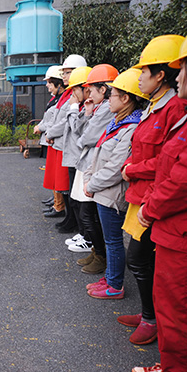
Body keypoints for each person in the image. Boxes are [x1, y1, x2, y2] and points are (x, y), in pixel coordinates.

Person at [133, 23, 187, 372]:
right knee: (174, 306)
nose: (179, 77)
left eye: (184, 67)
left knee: (181, 311)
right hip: (177, 231)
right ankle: (172, 369)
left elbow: (184, 178)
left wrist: (150, 206)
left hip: (184, 231)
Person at [117, 35, 187, 346]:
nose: (140, 77)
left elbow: (168, 160)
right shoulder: (153, 107)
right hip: (141, 194)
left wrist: (133, 169)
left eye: (144, 72)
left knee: (141, 258)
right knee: (143, 260)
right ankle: (149, 312)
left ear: (161, 75)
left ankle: (151, 318)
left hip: (154, 196)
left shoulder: (176, 108)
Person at [84, 66, 146, 300]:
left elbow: (115, 168)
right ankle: (111, 276)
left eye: (112, 95)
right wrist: (89, 177)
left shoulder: (130, 128)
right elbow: (98, 153)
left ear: (126, 98)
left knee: (113, 241)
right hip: (102, 190)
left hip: (111, 193)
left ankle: (115, 285)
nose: (109, 99)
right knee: (110, 239)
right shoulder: (117, 123)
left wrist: (91, 184)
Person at [71, 65, 117, 275]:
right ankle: (97, 252)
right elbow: (81, 132)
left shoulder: (107, 108)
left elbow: (85, 138)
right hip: (89, 162)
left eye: (93, 89)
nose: (89, 93)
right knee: (87, 212)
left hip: (93, 164)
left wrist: (86, 125)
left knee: (89, 213)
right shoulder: (99, 107)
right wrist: (88, 113)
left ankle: (101, 255)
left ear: (104, 90)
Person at [43, 54, 87, 222]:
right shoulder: (67, 95)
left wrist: (50, 132)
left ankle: (74, 222)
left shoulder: (75, 96)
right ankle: (71, 219)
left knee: (70, 186)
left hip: (69, 145)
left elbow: (66, 121)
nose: (65, 76)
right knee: (66, 185)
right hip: (62, 143)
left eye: (68, 72)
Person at [62, 66, 94, 253]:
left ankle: (87, 238)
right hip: (76, 156)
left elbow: (79, 131)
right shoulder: (85, 105)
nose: (73, 94)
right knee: (76, 200)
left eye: (75, 90)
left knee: (83, 203)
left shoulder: (87, 106)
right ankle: (84, 234)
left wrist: (73, 109)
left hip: (81, 158)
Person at [35, 65, 65, 204]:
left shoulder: (63, 100)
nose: (47, 85)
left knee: (58, 175)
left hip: (56, 140)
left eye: (49, 82)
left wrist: (42, 128)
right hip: (51, 138)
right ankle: (56, 201)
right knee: (53, 173)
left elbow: (56, 121)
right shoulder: (56, 99)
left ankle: (59, 204)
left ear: (59, 83)